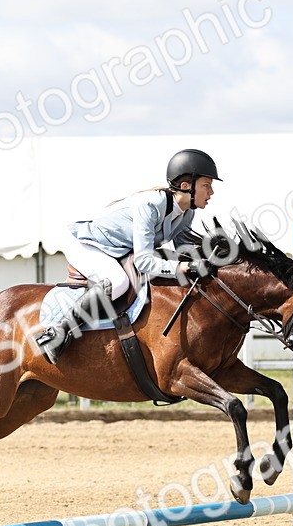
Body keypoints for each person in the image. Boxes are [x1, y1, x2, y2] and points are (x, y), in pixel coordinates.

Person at [36, 148, 221, 364]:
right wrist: (184, 268)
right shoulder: (150, 205)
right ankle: (58, 333)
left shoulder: (187, 212)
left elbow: (184, 252)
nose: (211, 192)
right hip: (87, 244)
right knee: (118, 283)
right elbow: (144, 261)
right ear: (185, 186)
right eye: (207, 185)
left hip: (118, 250)